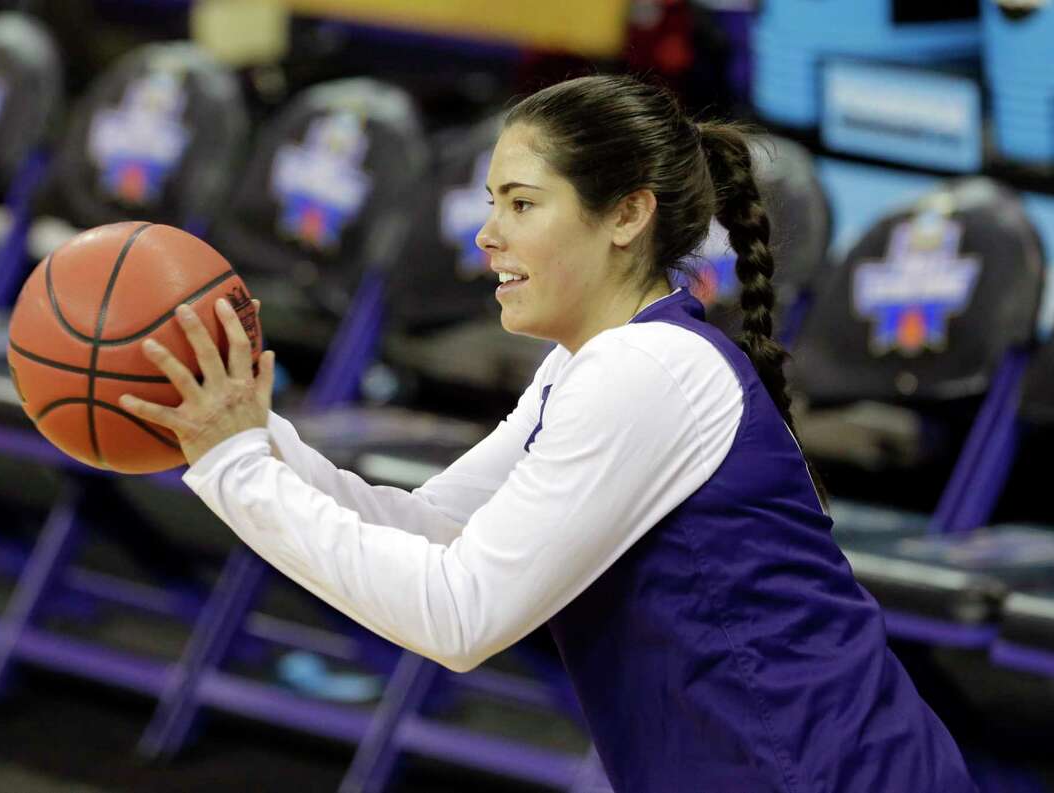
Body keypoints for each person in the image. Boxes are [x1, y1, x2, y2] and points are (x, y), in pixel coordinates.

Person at [119, 75, 977, 793]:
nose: (487, 234)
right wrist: (251, 433)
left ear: (627, 215)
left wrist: (233, 466)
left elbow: (459, 615)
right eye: (493, 202)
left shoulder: (646, 374)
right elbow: (427, 527)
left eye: (523, 203)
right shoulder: (592, 364)